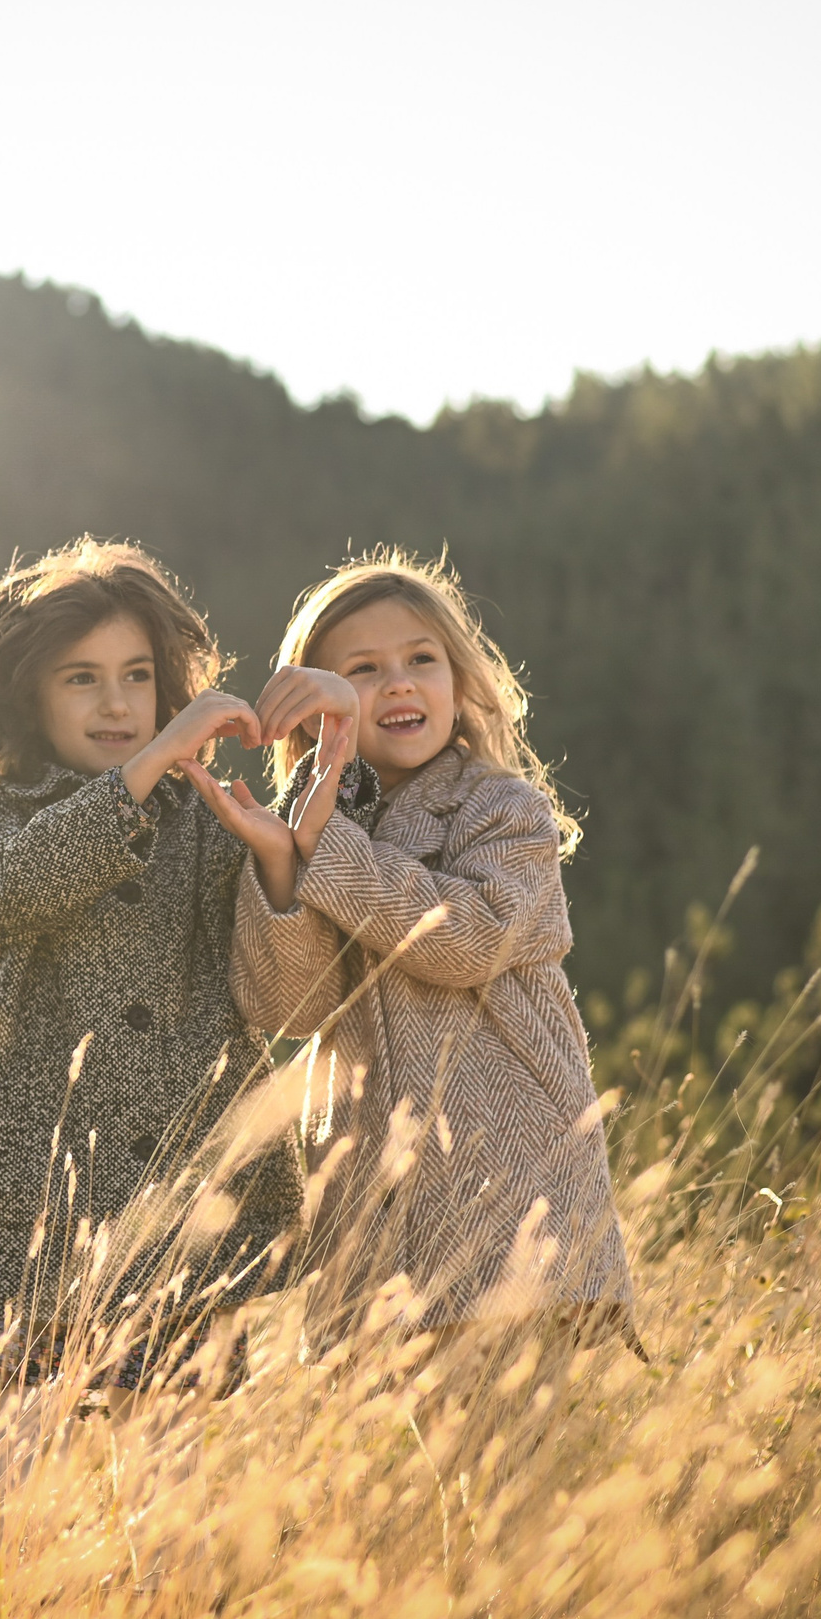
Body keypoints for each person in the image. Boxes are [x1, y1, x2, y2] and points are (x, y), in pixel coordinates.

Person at [0, 538, 305, 1592]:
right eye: (81, 678)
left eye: (139, 676)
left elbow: (286, 960)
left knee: (171, 1508)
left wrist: (322, 758)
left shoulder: (205, 820)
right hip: (29, 1218)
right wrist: (145, 770)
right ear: (24, 694)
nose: (117, 702)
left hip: (183, 1208)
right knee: (15, 1502)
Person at [185, 548, 639, 1373]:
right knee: (405, 1479)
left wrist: (328, 847)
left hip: (514, 1189)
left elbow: (467, 941)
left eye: (420, 660)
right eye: (360, 670)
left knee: (514, 1472)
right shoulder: (305, 821)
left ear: (461, 683)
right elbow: (283, 1004)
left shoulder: (503, 808)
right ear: (311, 706)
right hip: (372, 1210)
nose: (398, 682)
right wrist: (285, 867)